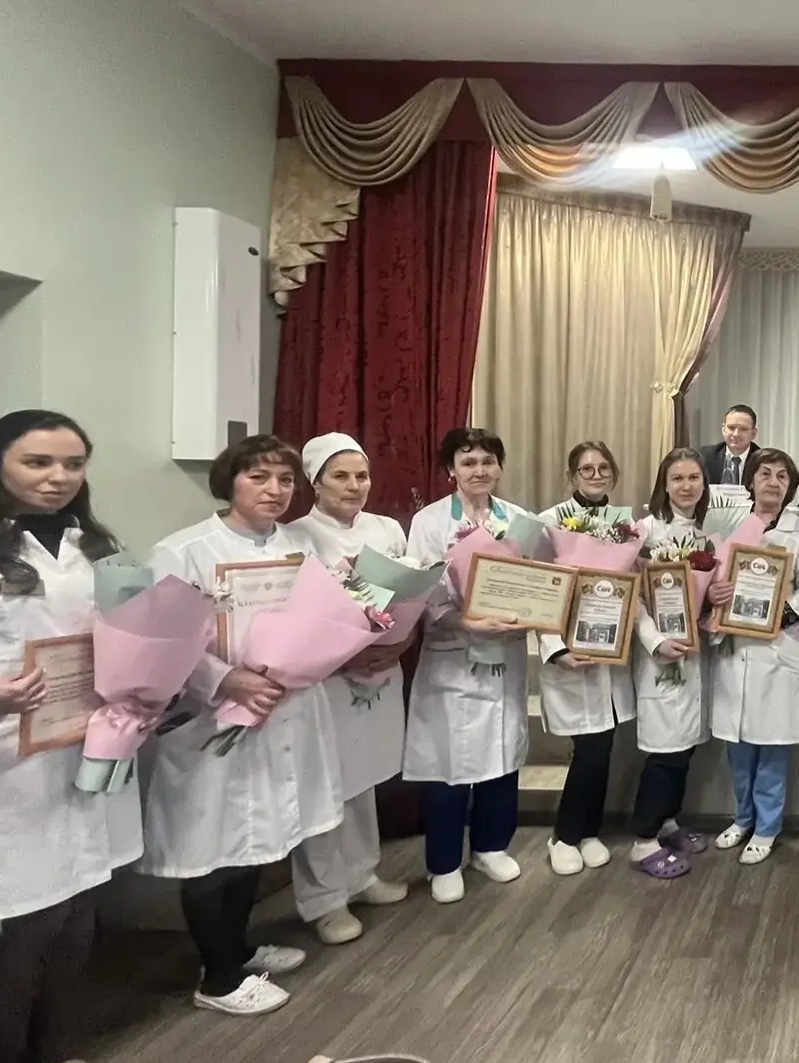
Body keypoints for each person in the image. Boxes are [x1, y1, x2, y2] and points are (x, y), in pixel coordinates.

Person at [0, 411, 141, 1061]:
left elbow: (140, 634)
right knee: (35, 923)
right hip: (4, 765)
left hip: (92, 750)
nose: (58, 477)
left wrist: (151, 683)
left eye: (73, 464)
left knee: (80, 914)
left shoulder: (103, 547)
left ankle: (58, 1049)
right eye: (37, 462)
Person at [141, 434, 341, 1015]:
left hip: (286, 710)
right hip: (213, 720)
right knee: (212, 843)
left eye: (285, 479)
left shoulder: (302, 544)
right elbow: (160, 640)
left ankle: (238, 947)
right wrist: (223, 679)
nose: (275, 490)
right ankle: (219, 979)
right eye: (259, 477)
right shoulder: (183, 551)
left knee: (259, 837)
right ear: (229, 481)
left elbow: (328, 616)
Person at [284, 433, 414, 947]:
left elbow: (412, 591)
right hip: (328, 678)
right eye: (340, 476)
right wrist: (341, 650)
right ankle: (324, 898)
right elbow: (296, 612)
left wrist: (401, 644)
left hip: (380, 668)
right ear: (315, 483)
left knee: (364, 778)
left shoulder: (386, 529)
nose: (354, 485)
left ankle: (362, 874)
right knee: (326, 785)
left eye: (361, 475)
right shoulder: (295, 536)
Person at [403, 427, 531, 905]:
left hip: (504, 653)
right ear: (450, 470)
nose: (479, 470)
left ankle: (491, 846)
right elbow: (422, 589)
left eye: (488, 461)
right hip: (451, 656)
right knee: (447, 762)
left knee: (502, 752)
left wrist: (532, 612)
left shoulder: (518, 520)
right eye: (468, 461)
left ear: (499, 467)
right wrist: (466, 621)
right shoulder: (429, 521)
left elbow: (537, 580)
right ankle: (443, 861)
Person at [709, 448, 799, 865]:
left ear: (790, 487)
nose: (773, 482)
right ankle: (742, 818)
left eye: (782, 477)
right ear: (750, 481)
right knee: (738, 748)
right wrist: (713, 594)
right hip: (736, 648)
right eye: (765, 474)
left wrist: (779, 617)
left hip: (778, 650)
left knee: (772, 747)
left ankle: (767, 827)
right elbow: (709, 578)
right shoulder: (728, 526)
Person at [541, 442, 636, 878]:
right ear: (572, 476)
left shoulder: (626, 526)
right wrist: (555, 648)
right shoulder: (549, 523)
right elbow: (539, 590)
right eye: (586, 469)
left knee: (604, 744)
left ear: (613, 473)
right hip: (572, 652)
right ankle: (563, 836)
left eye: (603, 468)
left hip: (609, 651)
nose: (596, 475)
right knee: (589, 748)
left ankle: (589, 831)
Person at [626, 448, 716, 879]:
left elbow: (703, 594)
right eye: (677, 478)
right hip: (660, 657)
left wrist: (714, 603)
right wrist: (656, 641)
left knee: (683, 748)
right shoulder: (644, 532)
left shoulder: (705, 536)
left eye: (693, 477)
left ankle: (667, 823)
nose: (686, 486)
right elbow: (631, 597)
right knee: (664, 753)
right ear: (664, 484)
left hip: (693, 653)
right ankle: (643, 842)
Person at [700, 404, 761, 487]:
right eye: (731, 428)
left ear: (753, 433)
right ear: (723, 429)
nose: (736, 434)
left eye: (743, 429)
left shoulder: (761, 460)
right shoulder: (706, 456)